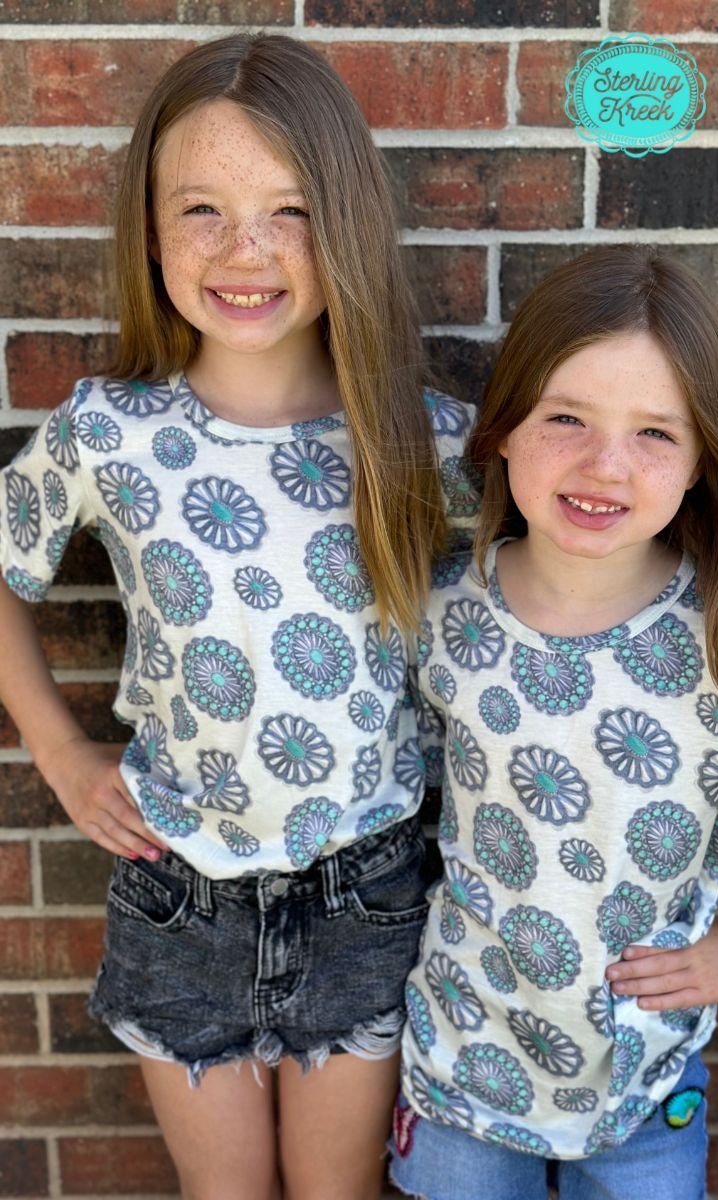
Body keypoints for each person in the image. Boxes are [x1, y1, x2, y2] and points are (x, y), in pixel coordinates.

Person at [0, 33, 477, 1200]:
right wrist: (58, 751)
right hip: (179, 898)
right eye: (201, 209)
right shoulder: (110, 434)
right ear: (149, 230)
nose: (243, 248)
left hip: (365, 893)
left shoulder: (421, 441)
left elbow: (555, 602)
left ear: (344, 222)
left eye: (289, 211)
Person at [389, 246, 718, 1200]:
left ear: (701, 463)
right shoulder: (444, 612)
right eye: (566, 417)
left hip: (643, 1090)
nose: (604, 465)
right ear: (502, 429)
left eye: (655, 432)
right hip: (461, 1065)